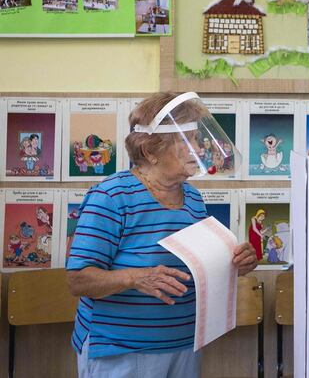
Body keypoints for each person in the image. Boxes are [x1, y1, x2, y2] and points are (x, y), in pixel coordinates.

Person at [66, 92, 254, 378]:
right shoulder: (112, 196)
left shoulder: (192, 198)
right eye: (186, 140)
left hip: (183, 344)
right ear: (151, 151)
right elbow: (78, 279)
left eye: (197, 139)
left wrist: (235, 264)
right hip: (122, 350)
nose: (199, 149)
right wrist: (136, 277)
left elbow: (195, 266)